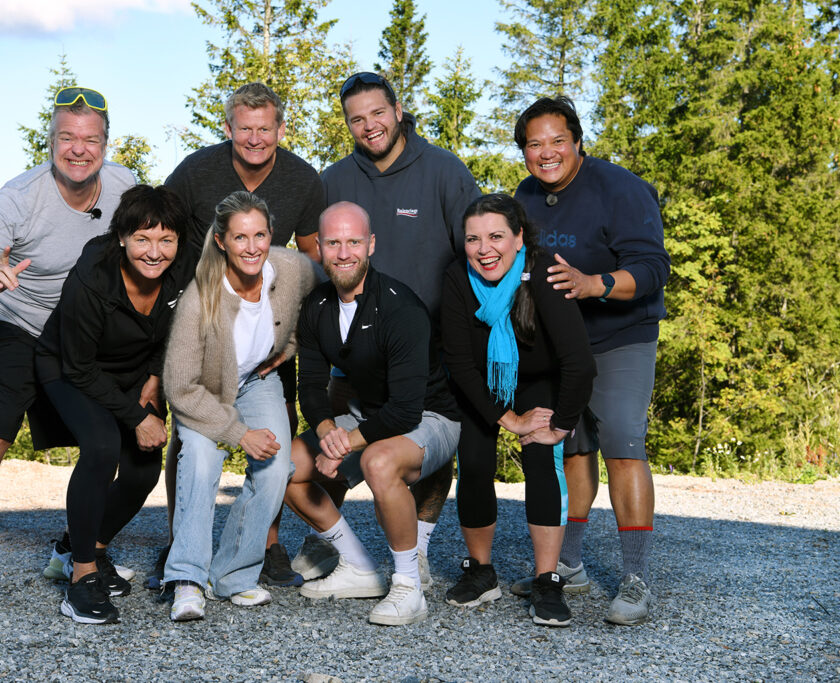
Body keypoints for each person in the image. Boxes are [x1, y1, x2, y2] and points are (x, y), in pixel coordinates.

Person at [0, 87, 135, 621]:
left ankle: (76, 550)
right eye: (67, 137)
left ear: (106, 144)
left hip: (71, 333)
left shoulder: (123, 187)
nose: (79, 149)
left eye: (90, 139)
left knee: (121, 432)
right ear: (51, 141)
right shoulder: (19, 197)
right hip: (5, 318)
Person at [306, 72, 480, 585]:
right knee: (334, 436)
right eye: (356, 118)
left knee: (421, 443)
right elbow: (317, 255)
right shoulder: (334, 178)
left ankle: (419, 547)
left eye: (377, 113)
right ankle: (332, 542)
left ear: (398, 109)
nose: (369, 125)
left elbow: (474, 250)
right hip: (354, 346)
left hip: (433, 343)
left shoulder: (444, 171)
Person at [508, 96, 670, 625]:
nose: (547, 152)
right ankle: (571, 563)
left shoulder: (619, 188)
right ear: (524, 151)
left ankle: (636, 580)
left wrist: (592, 284)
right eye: (534, 143)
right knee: (572, 449)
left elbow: (651, 269)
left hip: (620, 335)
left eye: (557, 140)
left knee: (622, 444)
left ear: (577, 141)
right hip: (560, 345)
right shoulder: (526, 196)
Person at [162, 82, 325, 588]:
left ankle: (265, 544)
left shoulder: (302, 178)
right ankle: (181, 542)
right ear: (229, 128)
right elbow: (160, 229)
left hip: (265, 327)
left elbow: (313, 260)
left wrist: (293, 335)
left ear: (280, 129)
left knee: (275, 434)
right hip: (203, 320)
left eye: (265, 128)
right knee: (190, 436)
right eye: (245, 128)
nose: (255, 138)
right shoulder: (195, 170)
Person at [284, 202, 461, 626]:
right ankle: (359, 567)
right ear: (319, 248)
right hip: (371, 414)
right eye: (333, 243)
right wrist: (326, 430)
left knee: (377, 462)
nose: (344, 253)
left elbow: (403, 412)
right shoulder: (317, 304)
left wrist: (344, 443)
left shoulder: (401, 308)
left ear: (371, 245)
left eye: (354, 242)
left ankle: (407, 588)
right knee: (283, 465)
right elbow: (309, 384)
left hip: (429, 416)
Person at [34, 185, 194, 624]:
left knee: (144, 469)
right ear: (122, 237)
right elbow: (79, 366)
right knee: (103, 447)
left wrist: (157, 376)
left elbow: (181, 326)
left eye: (166, 239)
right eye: (142, 239)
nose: (154, 252)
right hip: (70, 367)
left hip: (135, 372)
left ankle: (85, 546)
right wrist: (136, 416)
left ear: (179, 241)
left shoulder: (183, 269)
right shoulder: (93, 275)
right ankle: (80, 576)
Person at [441, 194, 595, 626]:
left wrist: (558, 425)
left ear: (518, 237)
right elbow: (459, 362)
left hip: (539, 380)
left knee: (541, 458)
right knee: (473, 461)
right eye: (473, 239)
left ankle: (547, 580)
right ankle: (481, 571)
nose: (484, 249)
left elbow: (580, 363)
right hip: (482, 383)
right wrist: (507, 419)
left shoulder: (544, 273)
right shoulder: (457, 277)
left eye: (495, 236)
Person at [161, 191, 316, 621]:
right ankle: (187, 579)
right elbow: (179, 387)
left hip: (254, 381)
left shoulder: (289, 268)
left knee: (277, 463)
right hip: (203, 395)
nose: (252, 247)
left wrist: (292, 342)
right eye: (240, 238)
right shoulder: (201, 298)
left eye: (260, 235)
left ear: (271, 236)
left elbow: (322, 297)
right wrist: (238, 434)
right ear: (221, 242)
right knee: (201, 462)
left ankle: (232, 574)